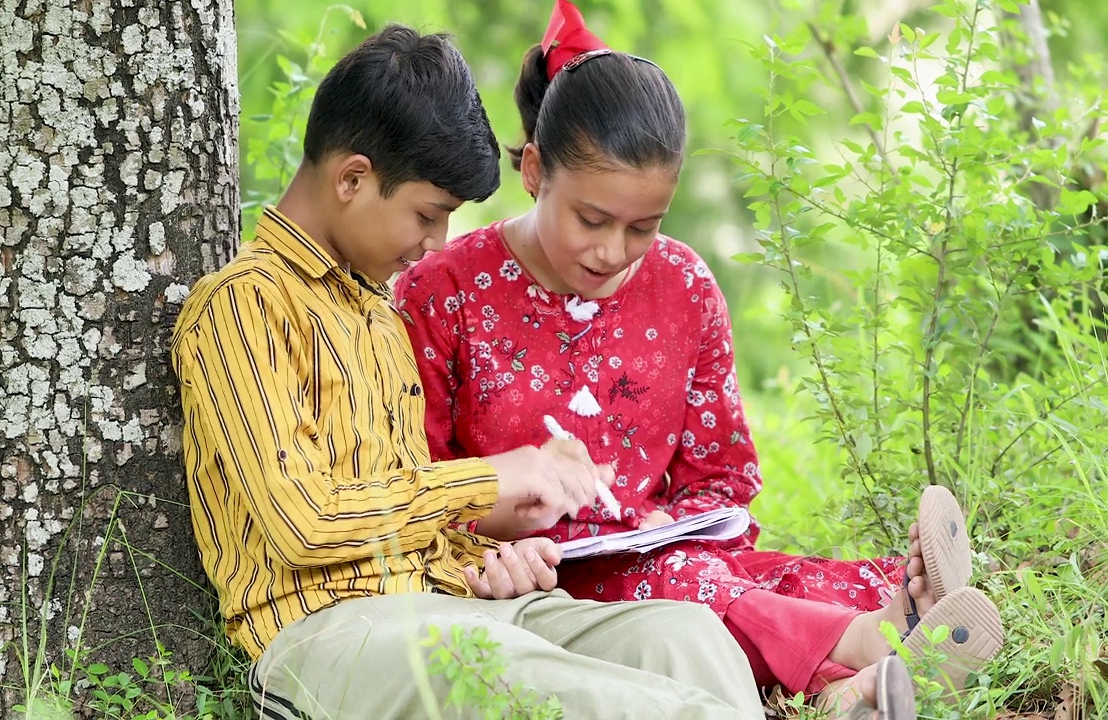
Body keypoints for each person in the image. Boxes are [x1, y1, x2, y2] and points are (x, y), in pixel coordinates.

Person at [393, 1, 1003, 717]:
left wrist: (668, 522)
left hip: (668, 562)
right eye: (591, 220)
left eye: (643, 228)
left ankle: (851, 687)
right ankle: (870, 642)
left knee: (733, 577)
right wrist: (489, 549)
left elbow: (719, 484)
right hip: (534, 585)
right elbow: (413, 482)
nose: (613, 252)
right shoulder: (443, 290)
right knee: (679, 592)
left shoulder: (683, 286)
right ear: (533, 171)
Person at [171, 22, 768, 720]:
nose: (437, 242)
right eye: (429, 215)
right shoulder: (242, 307)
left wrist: (489, 557)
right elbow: (304, 524)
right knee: (574, 691)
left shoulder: (376, 313)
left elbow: (404, 501)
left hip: (449, 607)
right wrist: (491, 478)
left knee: (683, 637)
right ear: (353, 179)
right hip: (329, 637)